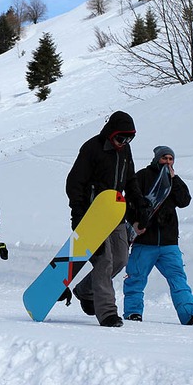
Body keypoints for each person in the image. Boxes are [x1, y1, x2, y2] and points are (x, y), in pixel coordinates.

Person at [66, 111, 147, 327]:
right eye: (121, 138)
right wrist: (78, 215)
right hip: (92, 216)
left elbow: (130, 180)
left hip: (115, 213)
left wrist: (139, 205)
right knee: (104, 260)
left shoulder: (125, 150)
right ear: (111, 133)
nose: (124, 142)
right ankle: (108, 313)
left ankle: (85, 290)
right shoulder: (92, 148)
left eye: (129, 139)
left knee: (121, 259)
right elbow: (74, 183)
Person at [123, 146, 193, 325]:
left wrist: (174, 179)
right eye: (165, 158)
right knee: (136, 278)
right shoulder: (142, 177)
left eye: (171, 159)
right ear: (157, 158)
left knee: (178, 277)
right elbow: (128, 203)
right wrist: (134, 223)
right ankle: (133, 313)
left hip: (168, 242)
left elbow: (184, 200)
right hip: (144, 241)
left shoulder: (173, 181)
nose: (168, 162)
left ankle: (189, 313)